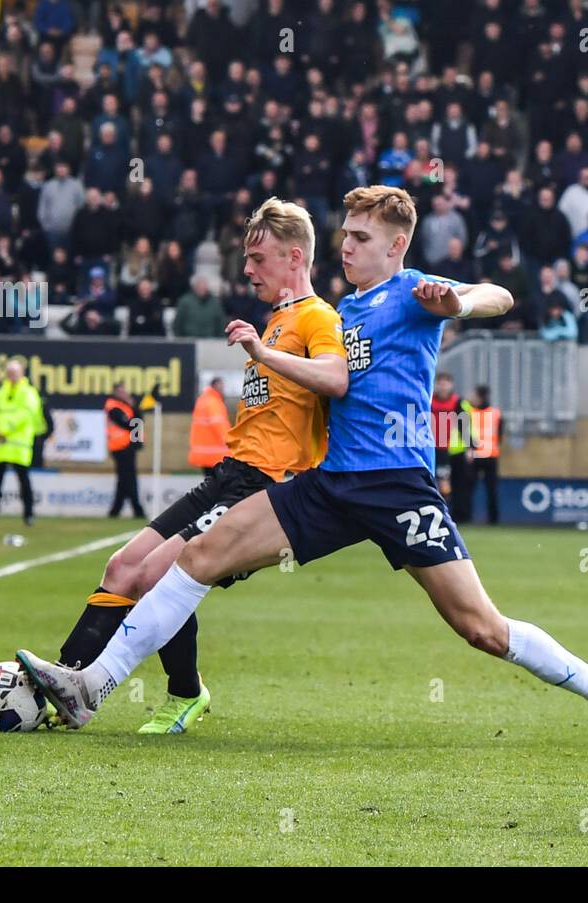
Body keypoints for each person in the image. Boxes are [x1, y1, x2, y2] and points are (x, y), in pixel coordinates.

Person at [18, 185, 588, 750]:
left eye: (362, 237)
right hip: (331, 484)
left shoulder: (414, 295)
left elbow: (500, 295)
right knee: (198, 555)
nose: (349, 246)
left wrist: (462, 304)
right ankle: (89, 688)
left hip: (398, 488)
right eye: (346, 235)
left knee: (482, 628)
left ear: (395, 246)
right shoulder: (344, 311)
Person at [29, 198, 349, 734]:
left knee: (159, 576)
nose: (247, 269)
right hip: (229, 473)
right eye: (246, 258)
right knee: (122, 568)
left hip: (266, 489)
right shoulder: (275, 321)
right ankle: (64, 681)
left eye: (259, 258)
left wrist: (265, 356)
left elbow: (335, 377)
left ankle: (175, 692)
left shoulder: (318, 316)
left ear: (296, 257)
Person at [0, 360, 45, 525]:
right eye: (9, 373)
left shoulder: (28, 393)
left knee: (24, 481)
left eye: (15, 373)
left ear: (22, 374)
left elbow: (26, 414)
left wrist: (4, 428)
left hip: (18, 446)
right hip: (0, 446)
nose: (12, 377)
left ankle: (28, 514)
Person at [430, 372, 476, 522]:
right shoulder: (430, 399)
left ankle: (453, 515)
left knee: (451, 483)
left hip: (452, 449)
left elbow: (465, 425)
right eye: (440, 382)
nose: (443, 386)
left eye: (446, 382)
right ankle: (437, 513)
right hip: (432, 447)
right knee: (436, 482)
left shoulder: (458, 402)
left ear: (451, 385)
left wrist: (470, 447)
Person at [105, 382, 145, 519]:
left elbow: (138, 422)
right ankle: (137, 509)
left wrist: (137, 440)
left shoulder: (125, 406)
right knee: (129, 479)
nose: (125, 393)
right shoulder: (113, 406)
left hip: (127, 446)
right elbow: (129, 424)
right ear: (115, 392)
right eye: (121, 391)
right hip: (120, 446)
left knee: (124, 479)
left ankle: (115, 510)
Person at [468, 385, 502, 523]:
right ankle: (492, 520)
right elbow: (500, 434)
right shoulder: (496, 412)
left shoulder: (470, 412)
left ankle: (491, 519)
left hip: (483, 455)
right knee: (484, 489)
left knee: (488, 490)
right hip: (484, 455)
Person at [187, 377, 231, 476]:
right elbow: (219, 426)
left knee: (210, 485)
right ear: (215, 386)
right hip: (215, 455)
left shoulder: (202, 400)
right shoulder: (214, 402)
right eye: (222, 386)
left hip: (204, 454)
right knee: (218, 487)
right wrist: (232, 442)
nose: (223, 389)